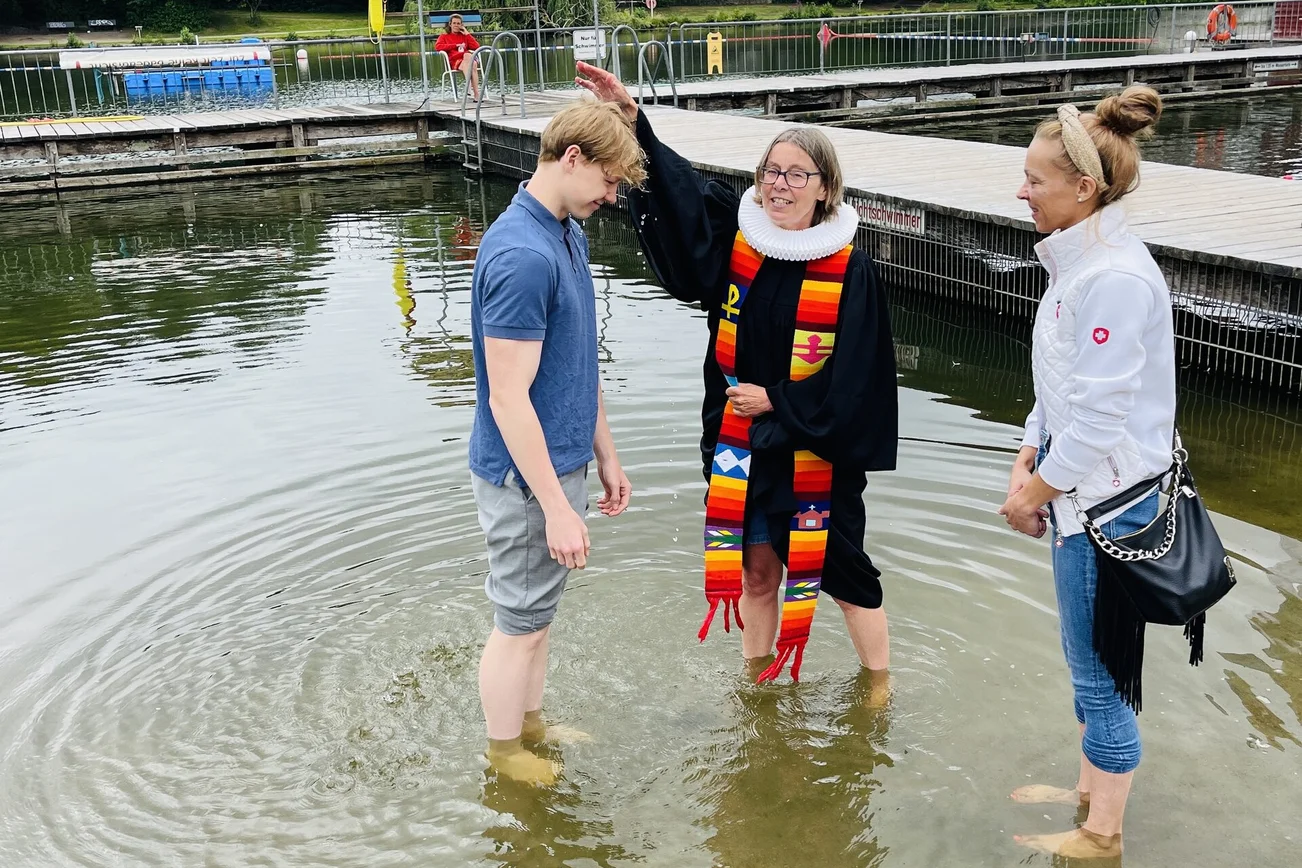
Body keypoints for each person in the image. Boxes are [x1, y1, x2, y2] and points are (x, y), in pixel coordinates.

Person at [575, 61, 897, 686]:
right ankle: (759, 686)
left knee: (843, 573)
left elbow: (860, 376)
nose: (780, 185)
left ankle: (877, 692)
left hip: (813, 447)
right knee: (755, 571)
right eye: (772, 172)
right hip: (738, 442)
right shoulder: (739, 238)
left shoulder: (848, 269)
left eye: (797, 175)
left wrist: (776, 399)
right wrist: (633, 121)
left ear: (825, 188)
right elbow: (681, 193)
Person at [997, 85, 1175, 860]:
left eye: (1035, 179)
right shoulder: (1080, 263)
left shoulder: (1112, 278)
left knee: (1102, 679)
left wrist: (1035, 493)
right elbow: (1061, 392)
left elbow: (1102, 419)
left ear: (1083, 188)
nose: (1022, 190)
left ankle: (1102, 834)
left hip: (1110, 507)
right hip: (1083, 496)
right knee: (1089, 667)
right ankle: (1088, 790)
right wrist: (1027, 453)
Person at [469, 100, 646, 785]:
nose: (611, 195)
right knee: (517, 623)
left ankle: (530, 727)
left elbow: (578, 361)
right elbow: (507, 397)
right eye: (608, 181)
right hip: (525, 480)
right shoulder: (521, 253)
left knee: (537, 619)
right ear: (572, 158)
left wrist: (605, 453)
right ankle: (504, 752)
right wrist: (557, 507)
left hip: (563, 462)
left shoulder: (565, 230)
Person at [435, 13, 480, 101]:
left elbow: (476, 46)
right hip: (455, 61)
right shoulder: (444, 36)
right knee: (472, 63)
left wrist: (467, 33)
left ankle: (471, 89)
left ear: (461, 25)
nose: (456, 25)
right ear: (450, 24)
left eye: (458, 23)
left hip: (467, 59)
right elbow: (438, 47)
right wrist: (455, 45)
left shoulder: (464, 36)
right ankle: (475, 93)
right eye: (454, 23)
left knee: (470, 59)